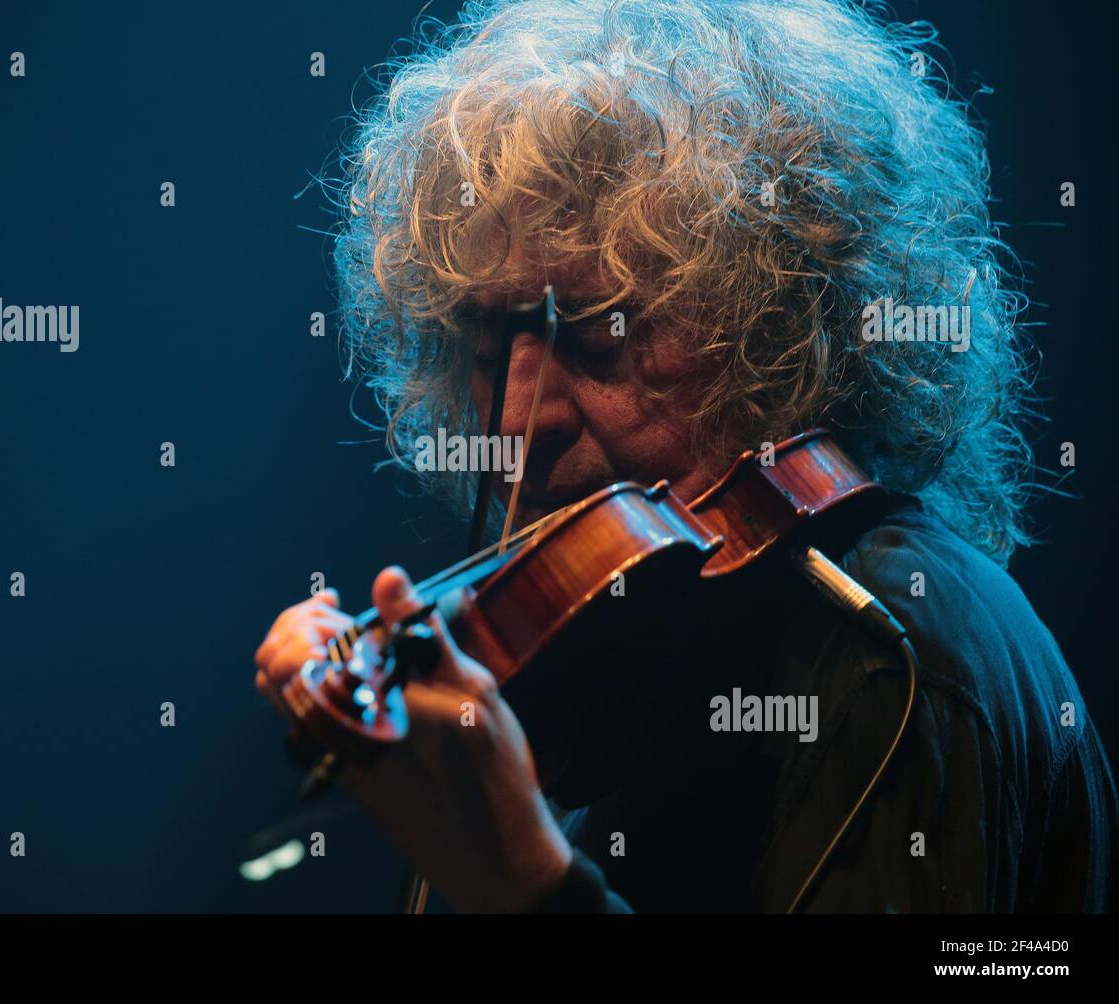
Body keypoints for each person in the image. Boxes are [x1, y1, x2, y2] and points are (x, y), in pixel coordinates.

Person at [255, 0, 1117, 911]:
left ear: (786, 326)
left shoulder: (891, 650)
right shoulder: (595, 671)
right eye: (482, 348)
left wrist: (527, 886)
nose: (514, 420)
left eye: (593, 338)